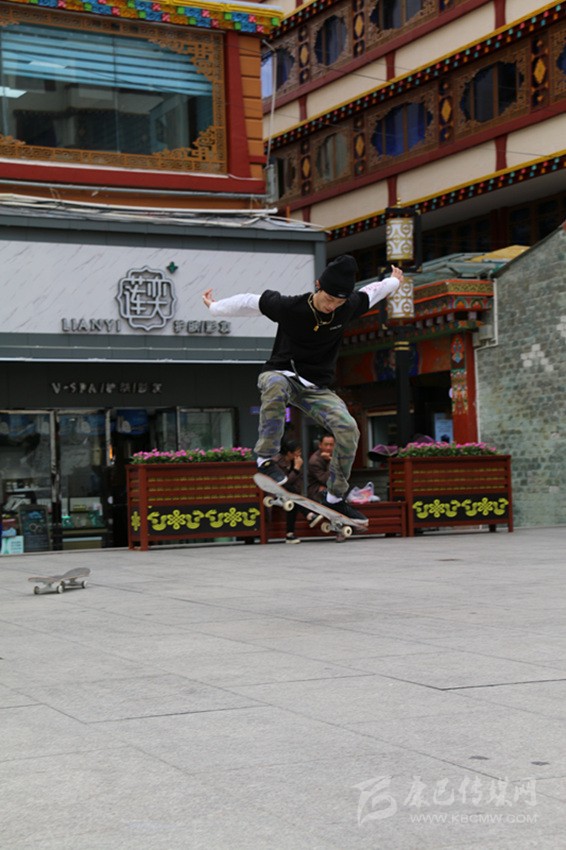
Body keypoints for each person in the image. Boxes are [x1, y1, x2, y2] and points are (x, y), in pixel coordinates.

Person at [203, 254, 403, 523]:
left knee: (349, 428)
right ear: (318, 285)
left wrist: (393, 281)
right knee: (275, 386)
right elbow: (250, 302)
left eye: (339, 302)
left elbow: (372, 292)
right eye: (328, 299)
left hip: (316, 388)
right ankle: (265, 459)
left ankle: (335, 497)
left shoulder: (347, 306)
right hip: (282, 373)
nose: (332, 306)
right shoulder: (290, 306)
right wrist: (215, 308)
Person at [274, 439, 319, 543]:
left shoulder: (295, 461)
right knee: (291, 495)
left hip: (289, 493)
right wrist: (296, 469)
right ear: (289, 453)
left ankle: (290, 535)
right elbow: (283, 482)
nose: (299, 454)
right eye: (297, 452)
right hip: (275, 491)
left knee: (292, 499)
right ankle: (308, 514)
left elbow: (298, 482)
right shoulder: (276, 462)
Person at [307, 433, 335, 501]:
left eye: (331, 445)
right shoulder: (315, 461)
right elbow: (326, 480)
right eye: (326, 445)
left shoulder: (335, 455)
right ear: (320, 445)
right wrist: (331, 462)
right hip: (317, 489)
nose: (328, 448)